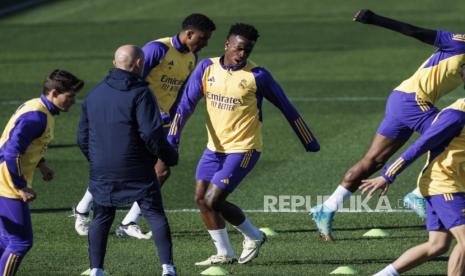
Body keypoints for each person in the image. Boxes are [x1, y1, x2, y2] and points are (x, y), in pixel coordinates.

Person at [167, 23, 320, 266]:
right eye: (239, 49)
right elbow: (186, 105)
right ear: (227, 45)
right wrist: (172, 139)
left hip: (244, 149)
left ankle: (254, 236)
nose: (242, 55)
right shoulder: (207, 67)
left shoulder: (258, 76)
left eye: (247, 51)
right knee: (200, 199)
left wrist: (309, 140)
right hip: (213, 149)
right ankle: (225, 253)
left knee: (213, 200)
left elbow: (286, 107)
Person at [311, 9, 465, 241]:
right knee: (449, 134)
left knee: (374, 161)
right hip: (412, 100)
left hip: (403, 100)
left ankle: (327, 208)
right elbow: (416, 32)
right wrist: (373, 19)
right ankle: (418, 194)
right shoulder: (459, 42)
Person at [73, 13, 216, 239]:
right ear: (189, 33)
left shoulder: (192, 57)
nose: (205, 43)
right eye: (203, 38)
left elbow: (177, 91)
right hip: (135, 118)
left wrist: (173, 119)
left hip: (161, 123)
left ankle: (129, 221)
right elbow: (130, 79)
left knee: (161, 170)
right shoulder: (157, 50)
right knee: (120, 168)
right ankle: (82, 209)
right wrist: (151, 111)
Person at [77, 45, 178, 276]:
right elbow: (151, 134)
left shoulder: (94, 94)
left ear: (115, 63)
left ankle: (96, 270)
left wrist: (96, 159)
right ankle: (167, 269)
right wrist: (168, 156)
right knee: (154, 213)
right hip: (136, 167)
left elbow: (82, 136)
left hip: (101, 168)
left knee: (102, 216)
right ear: (139, 64)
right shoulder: (142, 93)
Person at [359, 97, 465, 276]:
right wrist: (388, 174)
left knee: (437, 245)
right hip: (443, 184)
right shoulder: (456, 116)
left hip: (452, 183)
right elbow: (420, 145)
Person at [0, 70, 84, 275]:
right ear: (54, 93)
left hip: (5, 176)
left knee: (6, 239)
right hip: (7, 181)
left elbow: (30, 144)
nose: (73, 101)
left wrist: (42, 165)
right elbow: (12, 151)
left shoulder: (39, 108)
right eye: (70, 96)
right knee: (21, 242)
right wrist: (20, 186)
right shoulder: (37, 116)